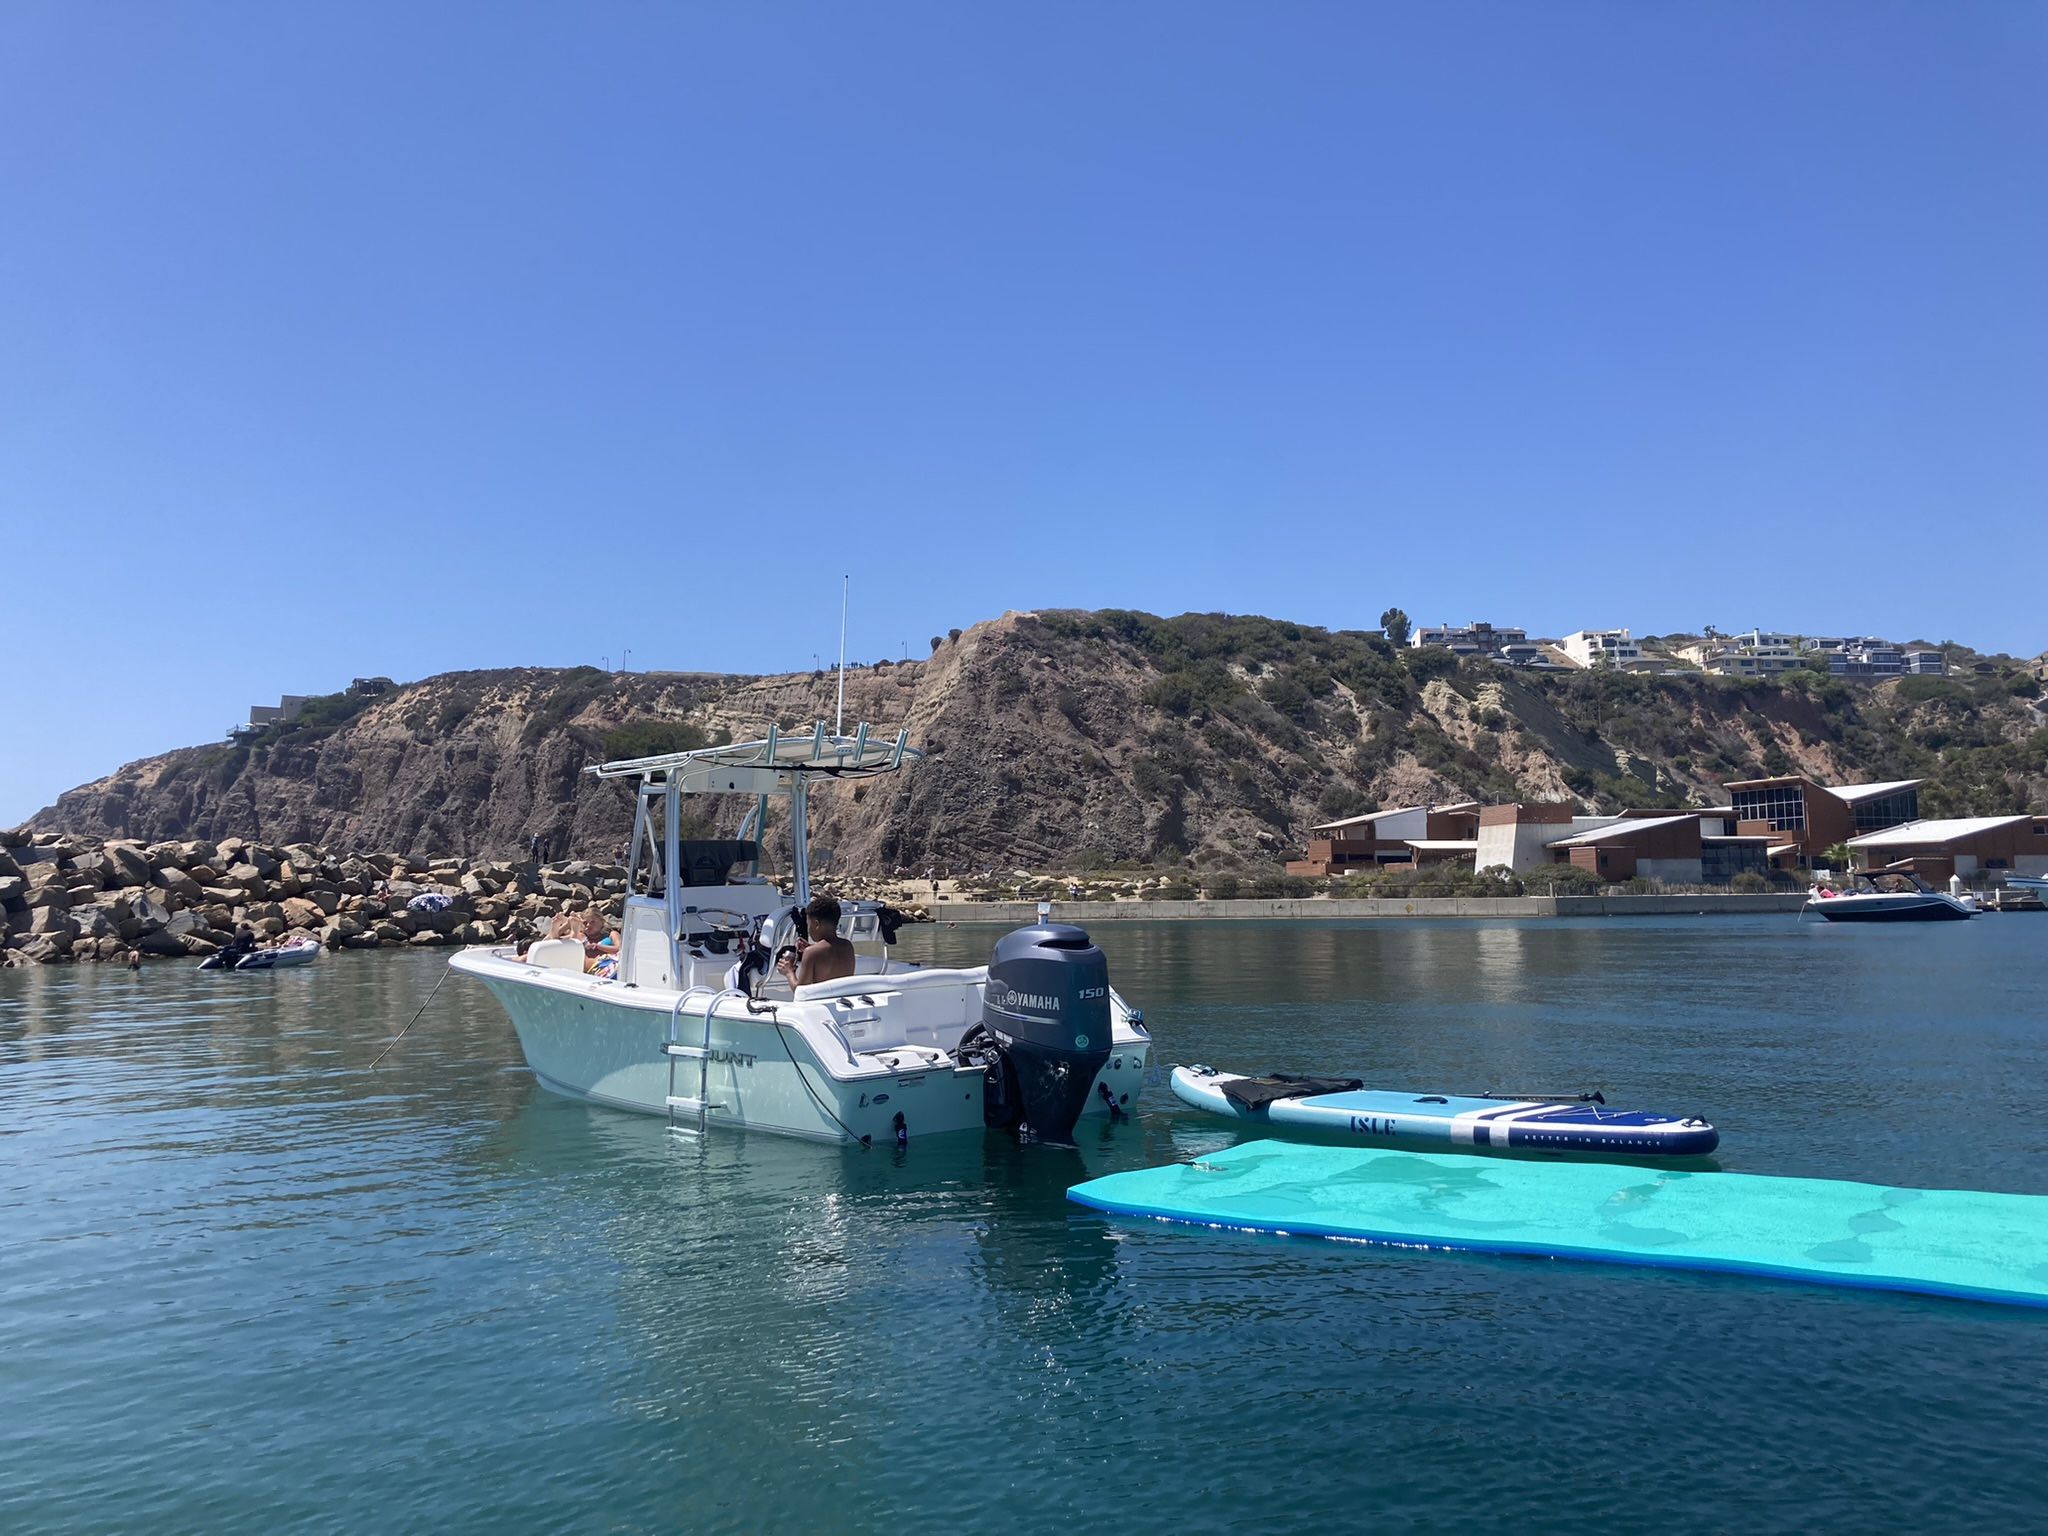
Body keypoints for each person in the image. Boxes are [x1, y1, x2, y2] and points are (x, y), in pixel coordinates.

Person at [778, 895, 856, 989]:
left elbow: (801, 991)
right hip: (843, 999)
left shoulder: (811, 953)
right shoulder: (847, 946)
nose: (808, 929)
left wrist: (789, 972)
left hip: (822, 1001)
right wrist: (811, 947)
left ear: (816, 924)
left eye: (808, 924)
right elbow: (829, 952)